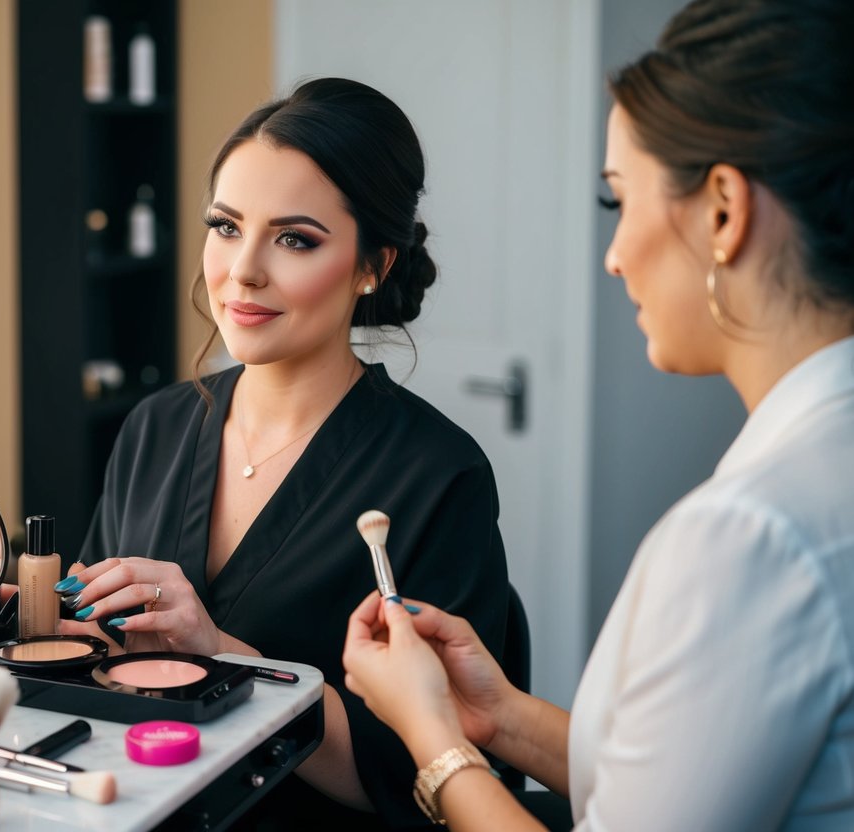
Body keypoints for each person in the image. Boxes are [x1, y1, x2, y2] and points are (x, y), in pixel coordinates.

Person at [342, 1, 854, 828]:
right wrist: (497, 714)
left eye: (618, 202)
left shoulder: (756, 538)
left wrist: (432, 738)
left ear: (723, 209)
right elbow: (681, 780)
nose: (613, 258)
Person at [54, 78, 511, 827]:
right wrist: (32, 614)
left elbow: (424, 777)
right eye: (226, 227)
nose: (243, 271)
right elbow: (100, 653)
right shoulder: (155, 428)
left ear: (374, 266)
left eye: (294, 239)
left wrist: (220, 649)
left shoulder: (437, 475)